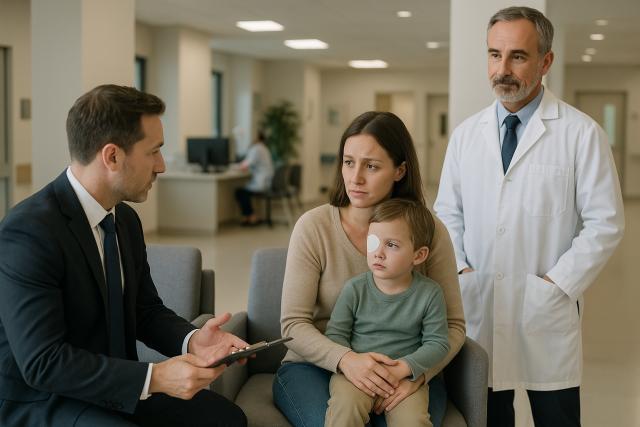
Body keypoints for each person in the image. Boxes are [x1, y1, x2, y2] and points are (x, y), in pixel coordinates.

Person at [0, 85, 249, 427]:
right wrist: (157, 377)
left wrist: (192, 340)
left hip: (116, 386)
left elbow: (143, 310)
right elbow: (43, 362)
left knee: (225, 418)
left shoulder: (124, 218)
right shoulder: (29, 231)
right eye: (154, 152)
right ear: (112, 156)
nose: (161, 166)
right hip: (47, 399)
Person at [434, 7, 625, 427]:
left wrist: (557, 285)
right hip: (480, 302)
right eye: (494, 54)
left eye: (518, 56)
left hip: (546, 310)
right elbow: (447, 211)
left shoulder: (580, 133)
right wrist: (463, 271)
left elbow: (606, 221)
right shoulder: (467, 135)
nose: (502, 69)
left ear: (546, 62)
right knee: (489, 416)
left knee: (556, 416)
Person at [273, 111, 465, 427]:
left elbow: (454, 326)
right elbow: (293, 324)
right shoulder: (314, 227)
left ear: (400, 170)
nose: (355, 177)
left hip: (403, 369)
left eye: (371, 166)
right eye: (349, 162)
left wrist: (417, 372)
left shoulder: (430, 231)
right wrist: (347, 361)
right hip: (316, 366)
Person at [324, 198, 449, 427]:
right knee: (344, 412)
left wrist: (404, 369)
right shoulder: (355, 289)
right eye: (373, 242)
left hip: (403, 380)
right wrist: (352, 364)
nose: (378, 253)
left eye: (391, 245)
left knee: (413, 422)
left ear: (419, 255)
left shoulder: (430, 293)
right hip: (356, 377)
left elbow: (438, 343)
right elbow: (335, 335)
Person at [234, 130, 274, 226]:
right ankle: (250, 217)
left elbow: (245, 165)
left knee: (240, 192)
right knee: (242, 191)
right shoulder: (264, 148)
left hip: (261, 183)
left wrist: (233, 167)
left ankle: (251, 217)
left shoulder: (257, 148)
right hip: (266, 181)